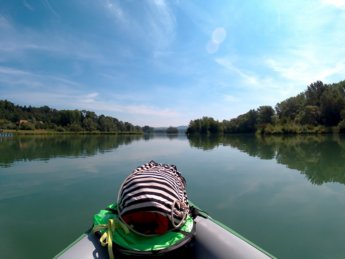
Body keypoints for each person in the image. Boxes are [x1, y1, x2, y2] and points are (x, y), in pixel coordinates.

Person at [117, 160, 190, 236]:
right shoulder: (174, 174)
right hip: (161, 209)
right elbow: (163, 227)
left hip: (132, 207)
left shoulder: (143, 170)